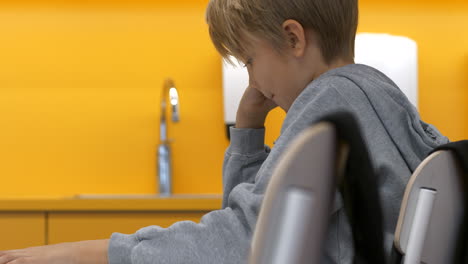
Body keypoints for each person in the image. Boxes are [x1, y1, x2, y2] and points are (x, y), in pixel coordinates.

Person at [0, 0, 449, 263]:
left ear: (293, 40)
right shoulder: (372, 95)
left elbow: (238, 244)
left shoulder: (332, 104)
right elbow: (257, 232)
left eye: (250, 61)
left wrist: (86, 253)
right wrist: (249, 129)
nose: (253, 81)